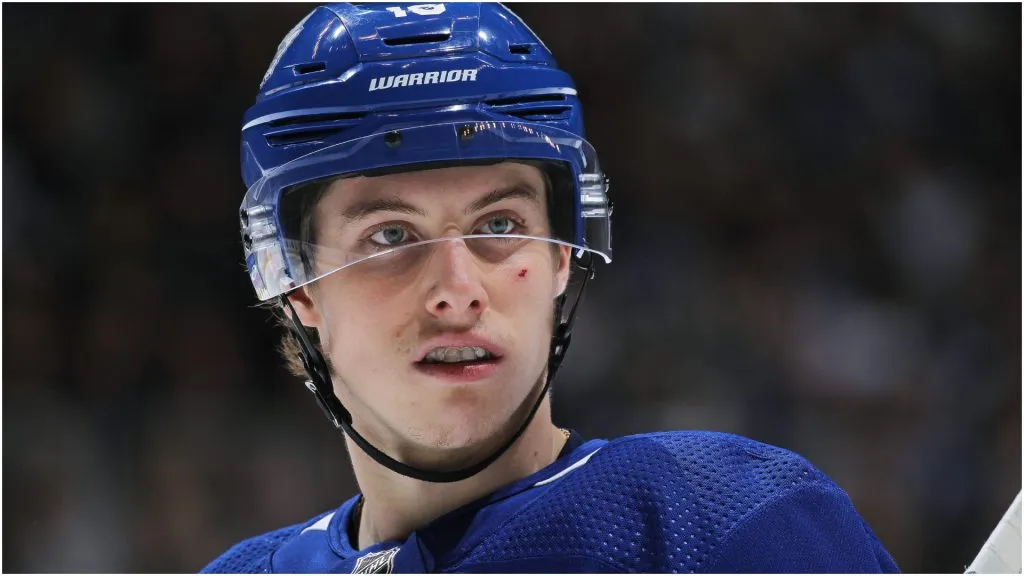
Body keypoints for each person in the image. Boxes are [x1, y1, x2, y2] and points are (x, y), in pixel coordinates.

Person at [203, 3, 899, 573]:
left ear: (564, 256)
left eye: (499, 223)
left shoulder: (722, 521)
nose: (458, 290)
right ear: (297, 288)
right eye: (391, 235)